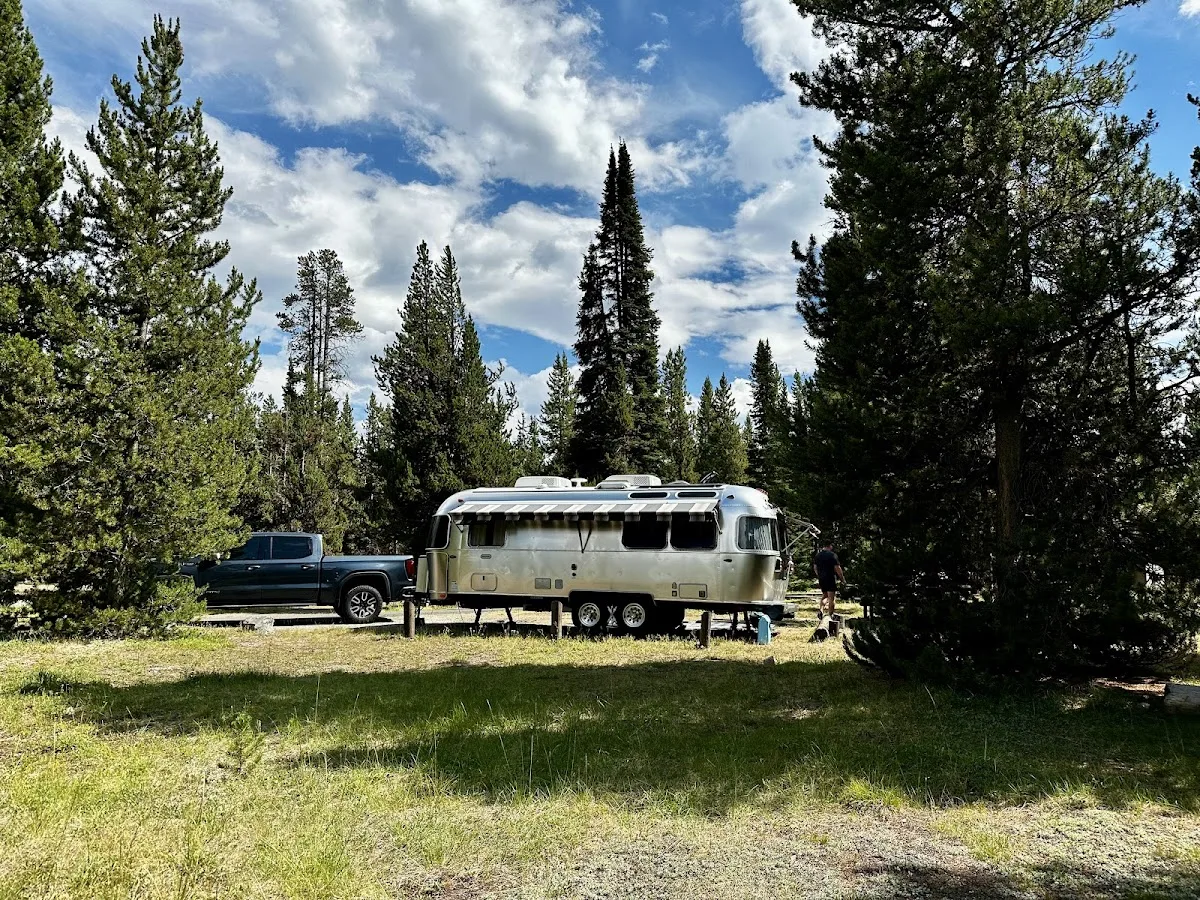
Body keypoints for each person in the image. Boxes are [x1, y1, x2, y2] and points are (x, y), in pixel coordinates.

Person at [813, 541, 845, 618]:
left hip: (822, 578)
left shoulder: (818, 556)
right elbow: (837, 568)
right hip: (830, 577)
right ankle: (830, 615)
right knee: (831, 597)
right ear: (830, 546)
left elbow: (815, 568)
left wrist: (819, 575)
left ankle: (821, 610)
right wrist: (842, 579)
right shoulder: (832, 555)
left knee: (825, 595)